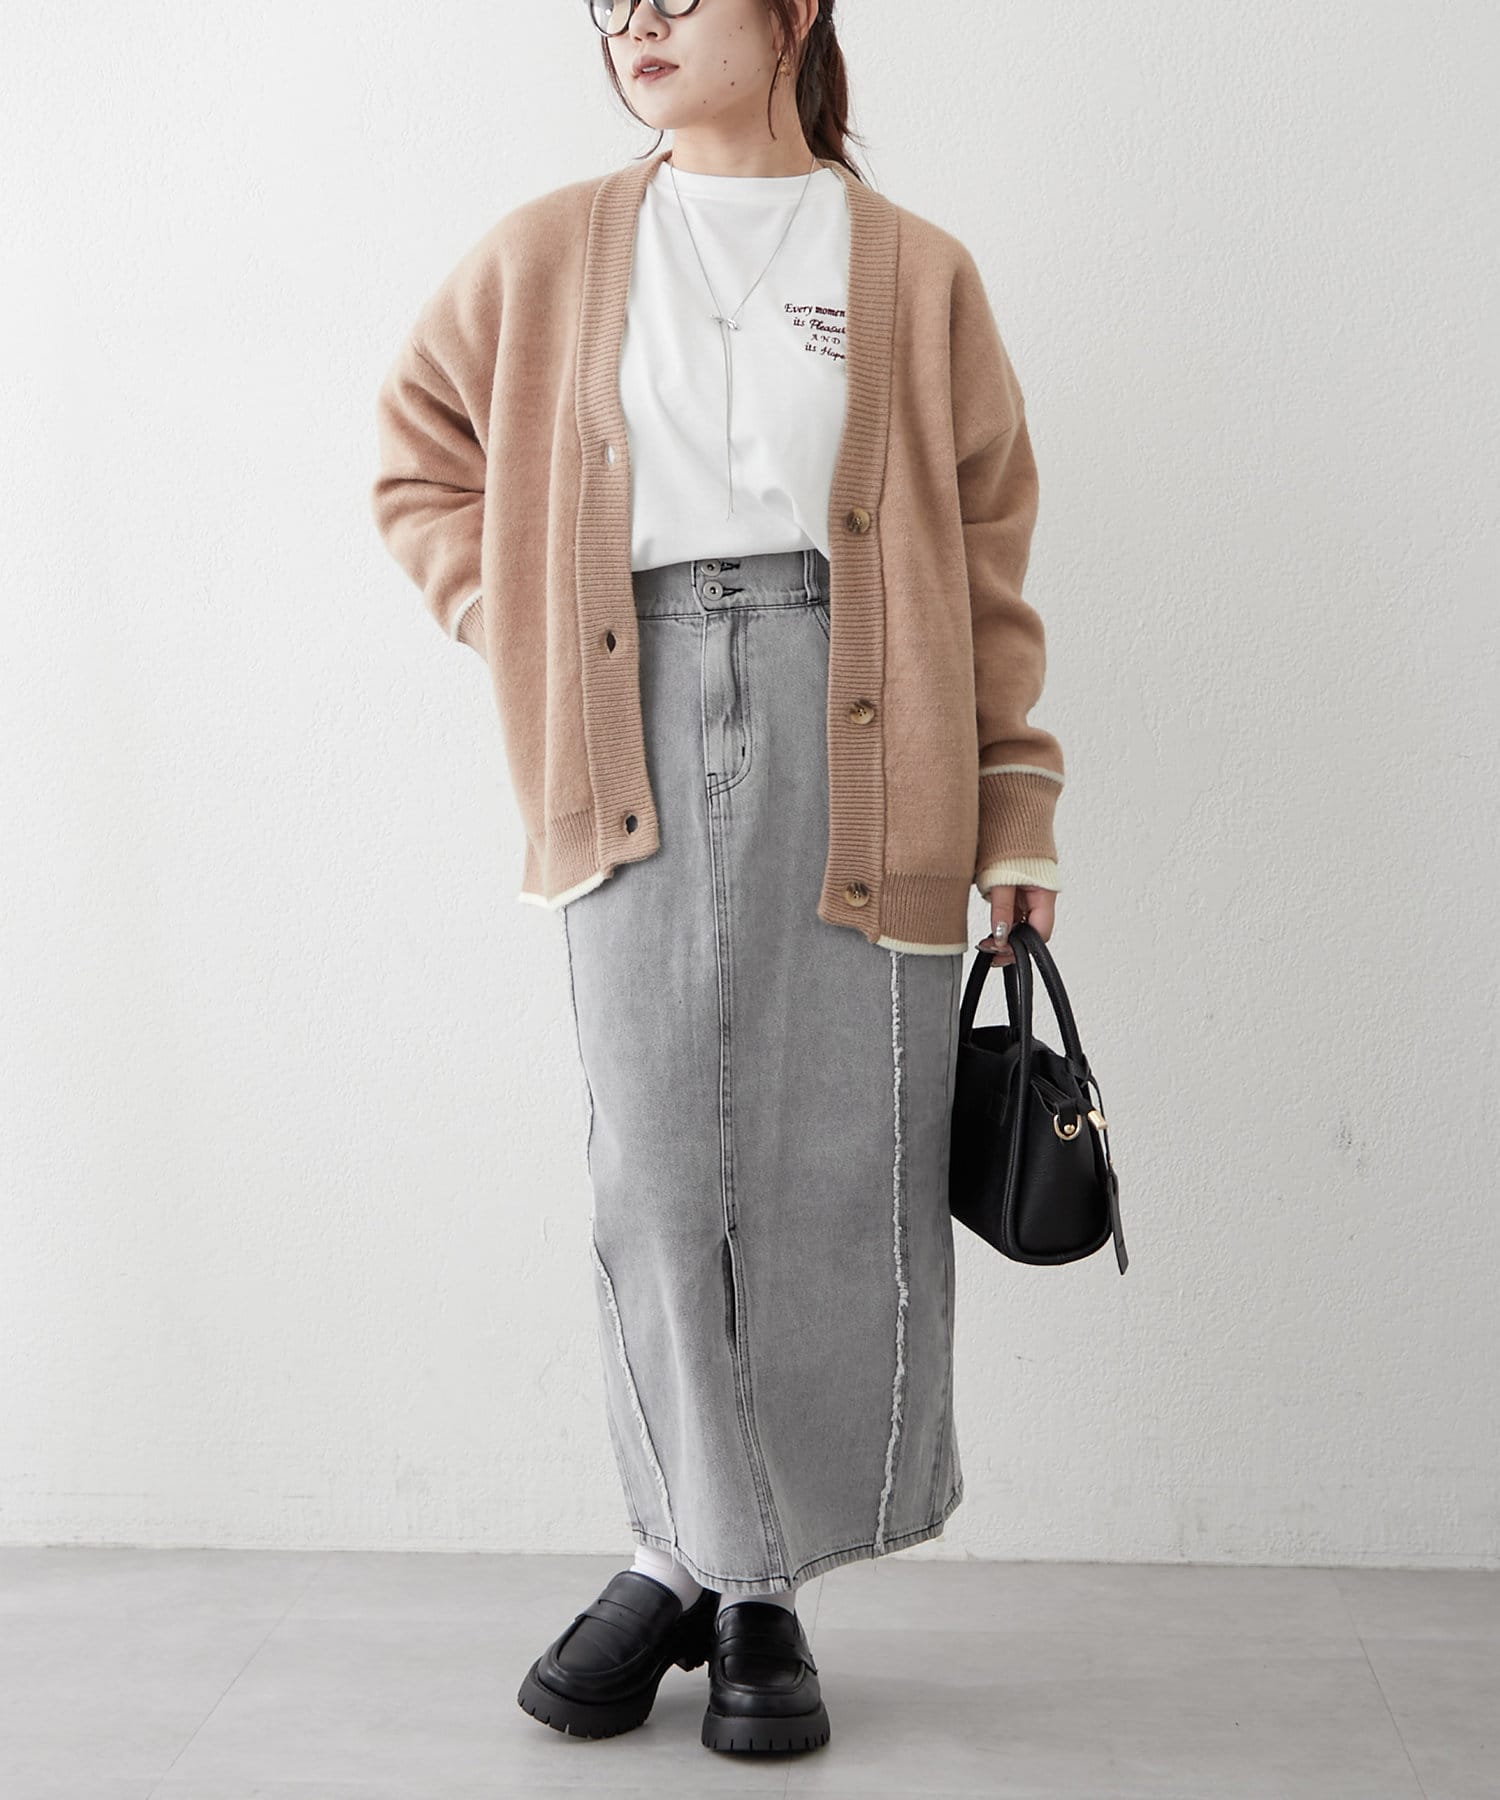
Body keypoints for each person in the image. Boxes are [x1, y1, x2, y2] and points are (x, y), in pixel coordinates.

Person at [370, 0, 1065, 1760]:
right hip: (632, 721)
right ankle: (697, 1561)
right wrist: (518, 625)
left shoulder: (916, 272)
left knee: (837, 1172)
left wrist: (1018, 808)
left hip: (876, 727)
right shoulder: (548, 253)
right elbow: (418, 459)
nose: (639, 18)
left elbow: (987, 567)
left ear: (797, 11)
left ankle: (734, 1581)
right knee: (664, 1175)